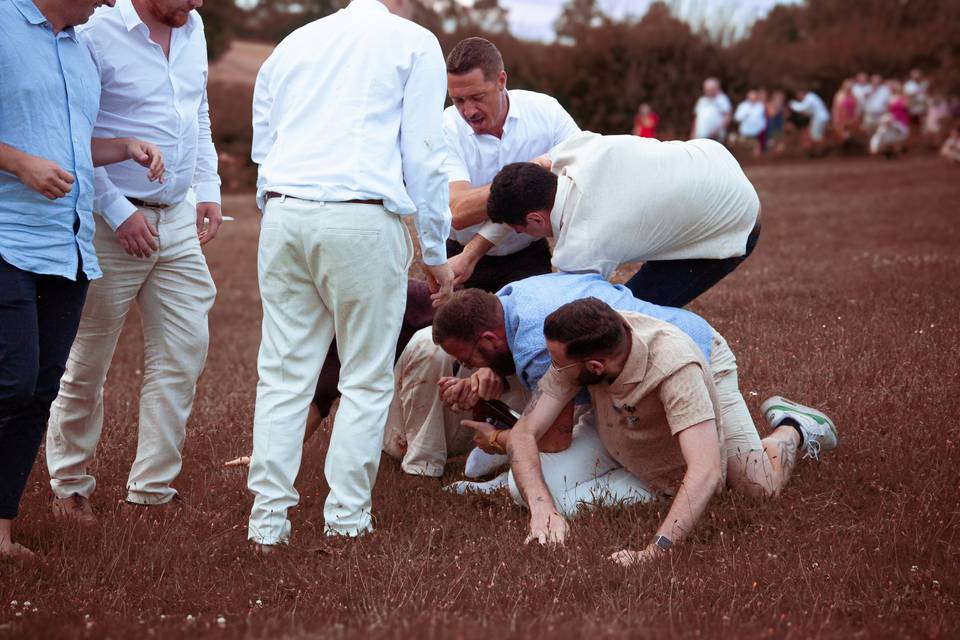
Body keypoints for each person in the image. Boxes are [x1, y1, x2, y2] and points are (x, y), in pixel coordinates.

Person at [247, 0, 455, 549]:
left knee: (284, 374)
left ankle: (267, 521)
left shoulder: (295, 42)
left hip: (285, 212)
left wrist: (281, 213)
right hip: (360, 216)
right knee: (364, 376)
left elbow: (263, 148)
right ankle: (345, 518)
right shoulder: (412, 41)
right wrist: (434, 251)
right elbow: (426, 156)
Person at [45, 0, 224, 525]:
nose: (194, 5)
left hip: (176, 218)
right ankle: (69, 485)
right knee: (87, 360)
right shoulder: (96, 29)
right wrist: (118, 212)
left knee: (184, 352)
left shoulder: (193, 27)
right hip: (107, 224)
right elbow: (73, 129)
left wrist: (207, 188)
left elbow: (199, 111)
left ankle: (152, 488)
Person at [1, 0, 163, 557]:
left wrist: (122, 147)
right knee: (12, 382)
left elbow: (71, 144)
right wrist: (18, 163)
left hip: (67, 248)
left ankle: (1, 530)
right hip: (7, 240)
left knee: (40, 389)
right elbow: (30, 151)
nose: (110, 2)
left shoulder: (78, 49)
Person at [505, 297, 838, 564]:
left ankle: (794, 427)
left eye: (556, 361)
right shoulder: (583, 342)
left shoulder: (674, 369)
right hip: (623, 423)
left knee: (757, 487)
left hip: (708, 368)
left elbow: (705, 471)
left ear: (595, 367)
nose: (552, 366)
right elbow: (523, 434)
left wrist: (655, 550)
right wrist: (542, 509)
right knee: (523, 491)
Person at [408, 271, 716, 508]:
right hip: (617, 395)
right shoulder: (506, 302)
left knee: (751, 482)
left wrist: (497, 440)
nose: (471, 367)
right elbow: (533, 427)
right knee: (527, 486)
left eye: (468, 360)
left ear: (489, 338)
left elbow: (555, 439)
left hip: (702, 355)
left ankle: (765, 436)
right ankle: (602, 466)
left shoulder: (538, 347)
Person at [486, 132, 761, 308]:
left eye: (518, 229)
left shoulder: (581, 246)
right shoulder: (577, 149)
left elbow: (572, 312)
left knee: (625, 320)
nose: (519, 234)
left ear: (535, 218)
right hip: (714, 158)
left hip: (735, 221)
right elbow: (540, 164)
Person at [442, 37, 580, 293]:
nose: (469, 111)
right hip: (459, 256)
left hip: (527, 253)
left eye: (477, 97)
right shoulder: (445, 127)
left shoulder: (546, 113)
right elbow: (458, 212)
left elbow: (581, 180)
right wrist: (527, 178)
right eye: (458, 101)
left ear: (501, 81)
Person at [869, 81, 910, 158]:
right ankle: (890, 151)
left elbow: (907, 108)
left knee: (898, 135)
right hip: (893, 119)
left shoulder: (903, 98)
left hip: (901, 119)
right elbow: (888, 109)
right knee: (890, 135)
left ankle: (896, 151)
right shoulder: (891, 97)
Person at [789, 89, 831, 156]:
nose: (799, 98)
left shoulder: (810, 98)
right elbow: (808, 111)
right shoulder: (812, 97)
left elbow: (801, 108)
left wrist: (792, 104)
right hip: (821, 117)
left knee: (816, 135)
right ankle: (819, 150)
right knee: (817, 135)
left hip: (820, 118)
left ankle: (821, 151)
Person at [690, 77, 732, 142]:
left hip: (715, 136)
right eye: (707, 89)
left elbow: (728, 116)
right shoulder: (702, 100)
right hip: (700, 135)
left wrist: (717, 130)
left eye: (711, 89)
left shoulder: (722, 99)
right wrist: (693, 132)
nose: (709, 91)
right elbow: (696, 117)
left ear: (717, 88)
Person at [733, 90, 766, 157]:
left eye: (754, 98)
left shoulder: (760, 106)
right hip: (745, 133)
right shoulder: (743, 106)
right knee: (744, 149)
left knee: (756, 148)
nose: (753, 99)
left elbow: (762, 118)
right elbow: (737, 118)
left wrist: (762, 128)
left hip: (756, 133)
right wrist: (745, 114)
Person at [765, 90, 787, 155]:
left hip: (779, 127)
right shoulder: (770, 105)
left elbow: (784, 117)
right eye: (778, 98)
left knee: (779, 142)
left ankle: (777, 155)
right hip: (772, 127)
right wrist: (776, 109)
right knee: (771, 142)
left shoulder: (782, 107)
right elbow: (771, 115)